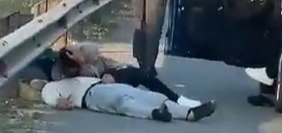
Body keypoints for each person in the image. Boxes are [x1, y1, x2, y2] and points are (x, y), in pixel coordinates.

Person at [51, 43, 202, 107]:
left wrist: (109, 74)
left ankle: (177, 99)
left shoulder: (89, 51)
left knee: (141, 75)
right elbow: (52, 86)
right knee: (132, 99)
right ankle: (161, 108)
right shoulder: (59, 71)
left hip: (111, 78)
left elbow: (111, 65)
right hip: (96, 94)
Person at [39, 76, 216, 122]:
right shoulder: (50, 87)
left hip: (104, 85)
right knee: (122, 103)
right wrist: (61, 103)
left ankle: (188, 113)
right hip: (91, 96)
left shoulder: (75, 76)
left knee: (152, 96)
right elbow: (53, 100)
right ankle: (154, 114)